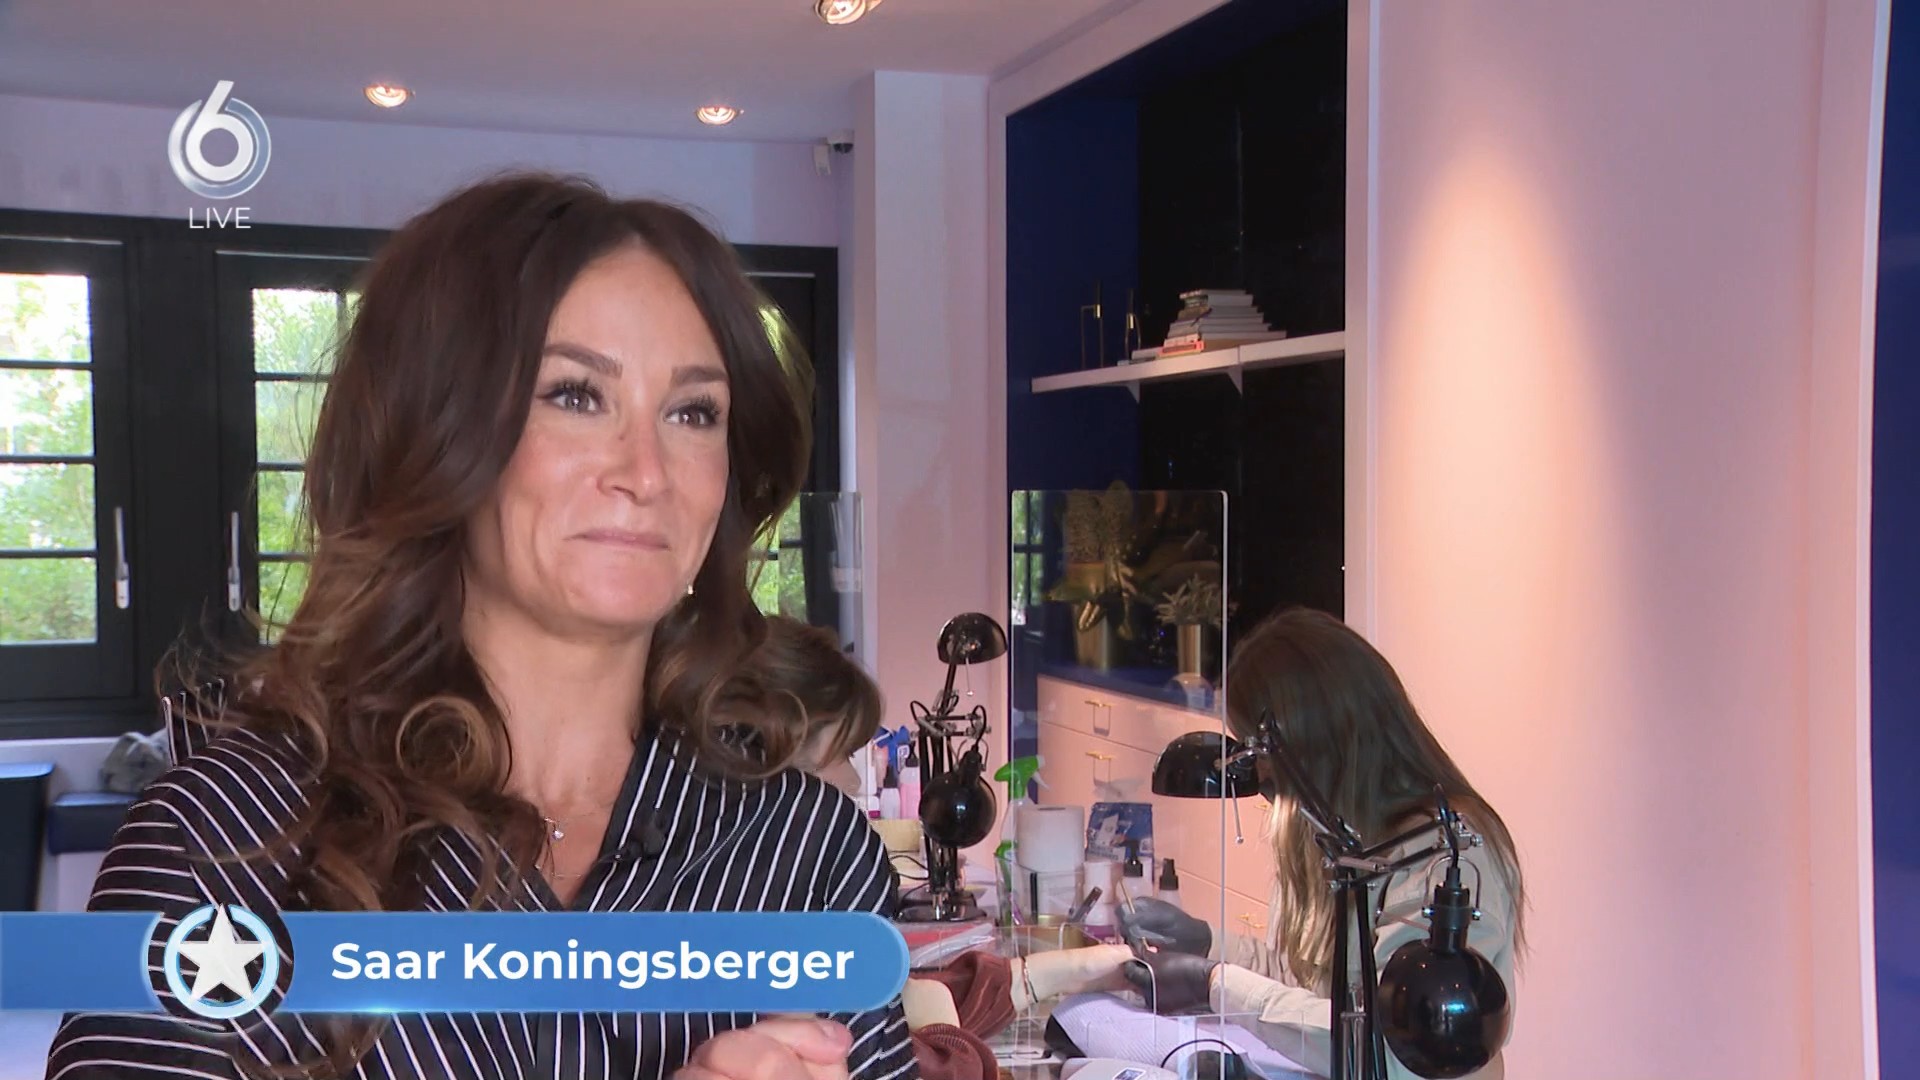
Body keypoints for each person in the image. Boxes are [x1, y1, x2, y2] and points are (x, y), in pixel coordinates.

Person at [42, 172, 916, 1080]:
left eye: (693, 412)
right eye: (575, 395)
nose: (647, 472)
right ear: (436, 433)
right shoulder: (223, 842)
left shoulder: (809, 856)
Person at [1086, 608, 1526, 1080]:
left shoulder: (1442, 855)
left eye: (1260, 752)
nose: (1257, 774)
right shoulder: (1342, 834)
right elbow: (1313, 986)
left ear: (1312, 743)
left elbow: (1389, 1047)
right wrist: (1208, 944)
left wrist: (1213, 983)